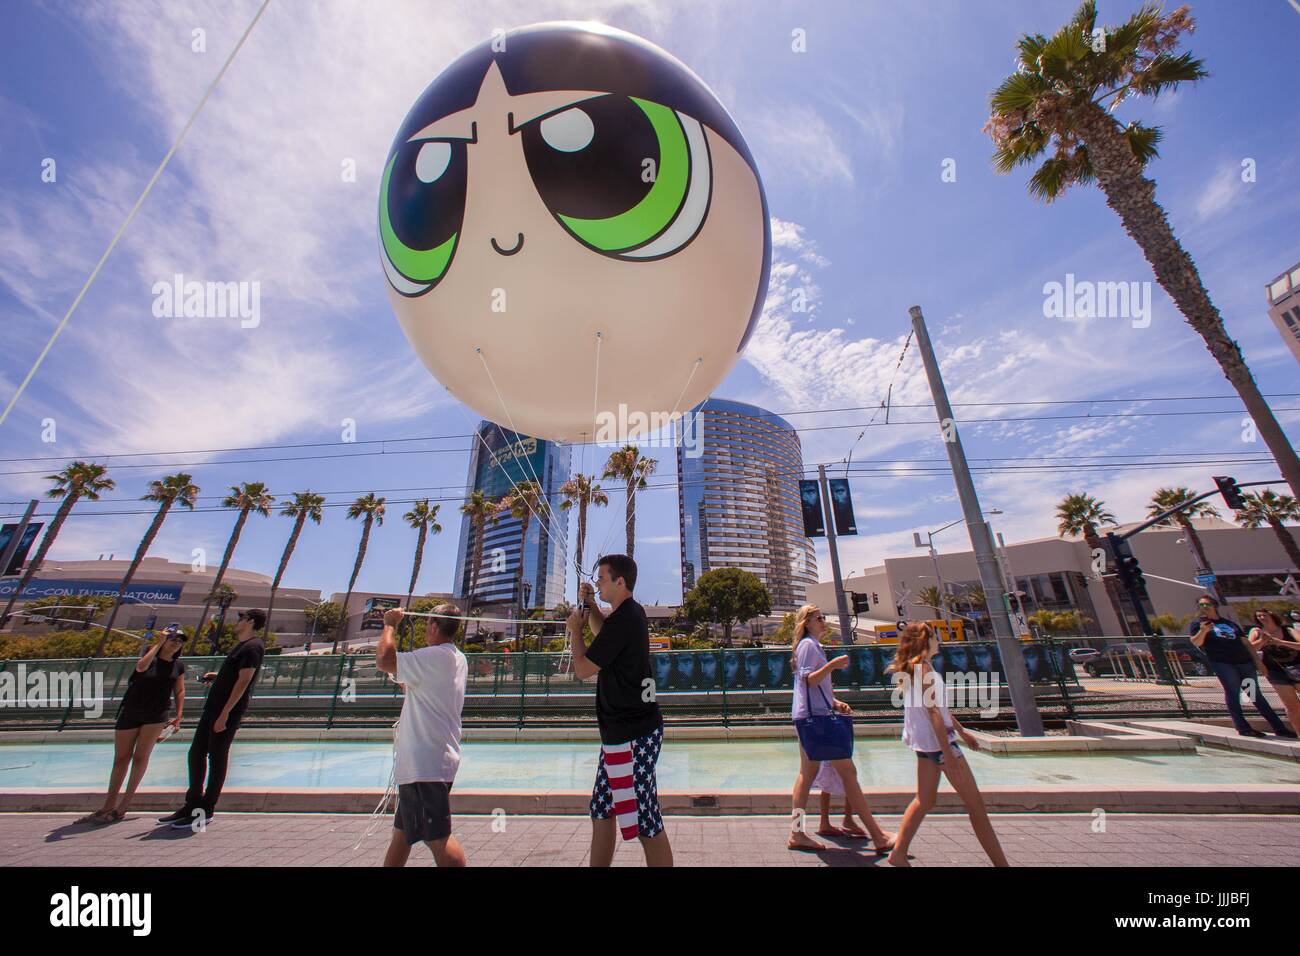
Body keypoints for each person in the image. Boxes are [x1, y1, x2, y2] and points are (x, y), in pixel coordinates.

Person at [567, 554, 672, 867]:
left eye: (601, 579)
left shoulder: (627, 618)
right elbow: (603, 633)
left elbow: (584, 669)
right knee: (602, 808)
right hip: (620, 734)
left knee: (644, 819)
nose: (597, 583)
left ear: (620, 582)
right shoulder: (628, 613)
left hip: (633, 735)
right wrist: (590, 605)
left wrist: (574, 629)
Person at [887, 621, 1008, 867]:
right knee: (976, 806)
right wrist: (949, 753)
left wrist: (963, 732)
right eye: (935, 636)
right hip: (939, 746)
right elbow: (933, 714)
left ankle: (898, 854)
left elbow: (939, 709)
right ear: (926, 640)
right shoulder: (924, 669)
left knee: (924, 800)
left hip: (925, 746)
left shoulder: (915, 668)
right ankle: (1002, 865)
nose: (939, 640)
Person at [787, 604, 894, 854]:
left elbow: (812, 686)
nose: (823, 620)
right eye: (819, 617)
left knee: (807, 778)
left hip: (811, 716)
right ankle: (877, 836)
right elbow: (808, 680)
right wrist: (832, 666)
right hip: (815, 720)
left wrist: (834, 702)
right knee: (848, 772)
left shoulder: (811, 645)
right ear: (807, 622)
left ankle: (797, 832)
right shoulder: (808, 645)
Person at [375, 605, 468, 867]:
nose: (426, 627)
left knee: (438, 838)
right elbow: (413, 680)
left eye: (428, 622)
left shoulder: (434, 656)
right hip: (427, 764)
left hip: (425, 767)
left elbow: (383, 659)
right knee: (402, 835)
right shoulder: (456, 658)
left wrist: (390, 625)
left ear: (435, 627)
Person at [157, 608, 266, 829]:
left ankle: (205, 810)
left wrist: (225, 713)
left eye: (242, 618)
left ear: (250, 621)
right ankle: (192, 804)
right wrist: (219, 676)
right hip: (214, 708)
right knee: (196, 753)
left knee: (216, 757)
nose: (238, 622)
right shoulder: (243, 646)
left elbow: (244, 681)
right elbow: (237, 675)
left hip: (225, 711)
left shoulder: (253, 646)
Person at [78, 624, 186, 825]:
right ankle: (107, 805)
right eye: (173, 639)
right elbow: (140, 667)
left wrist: (178, 715)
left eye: (179, 641)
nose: (176, 643)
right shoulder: (150, 660)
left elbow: (179, 691)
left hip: (156, 714)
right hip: (132, 711)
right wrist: (159, 642)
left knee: (140, 757)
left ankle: (123, 806)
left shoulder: (179, 666)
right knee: (121, 759)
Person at [1189, 596, 1291, 738]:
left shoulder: (1230, 624)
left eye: (1207, 604)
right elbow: (1196, 642)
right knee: (1232, 692)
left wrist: (1257, 661)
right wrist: (1203, 631)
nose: (1204, 608)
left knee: (1255, 695)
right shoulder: (1198, 624)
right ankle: (1242, 727)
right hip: (1223, 663)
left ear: (1214, 605)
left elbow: (1246, 643)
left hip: (1244, 662)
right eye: (1201, 605)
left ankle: (1279, 728)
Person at [1246, 609, 1300, 738]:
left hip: (1297, 666)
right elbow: (1250, 648)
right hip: (1275, 671)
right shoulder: (1256, 631)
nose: (1262, 617)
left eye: (1264, 615)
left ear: (1271, 615)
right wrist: (1262, 641)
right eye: (1259, 616)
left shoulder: (1287, 629)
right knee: (1292, 705)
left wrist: (1280, 642)